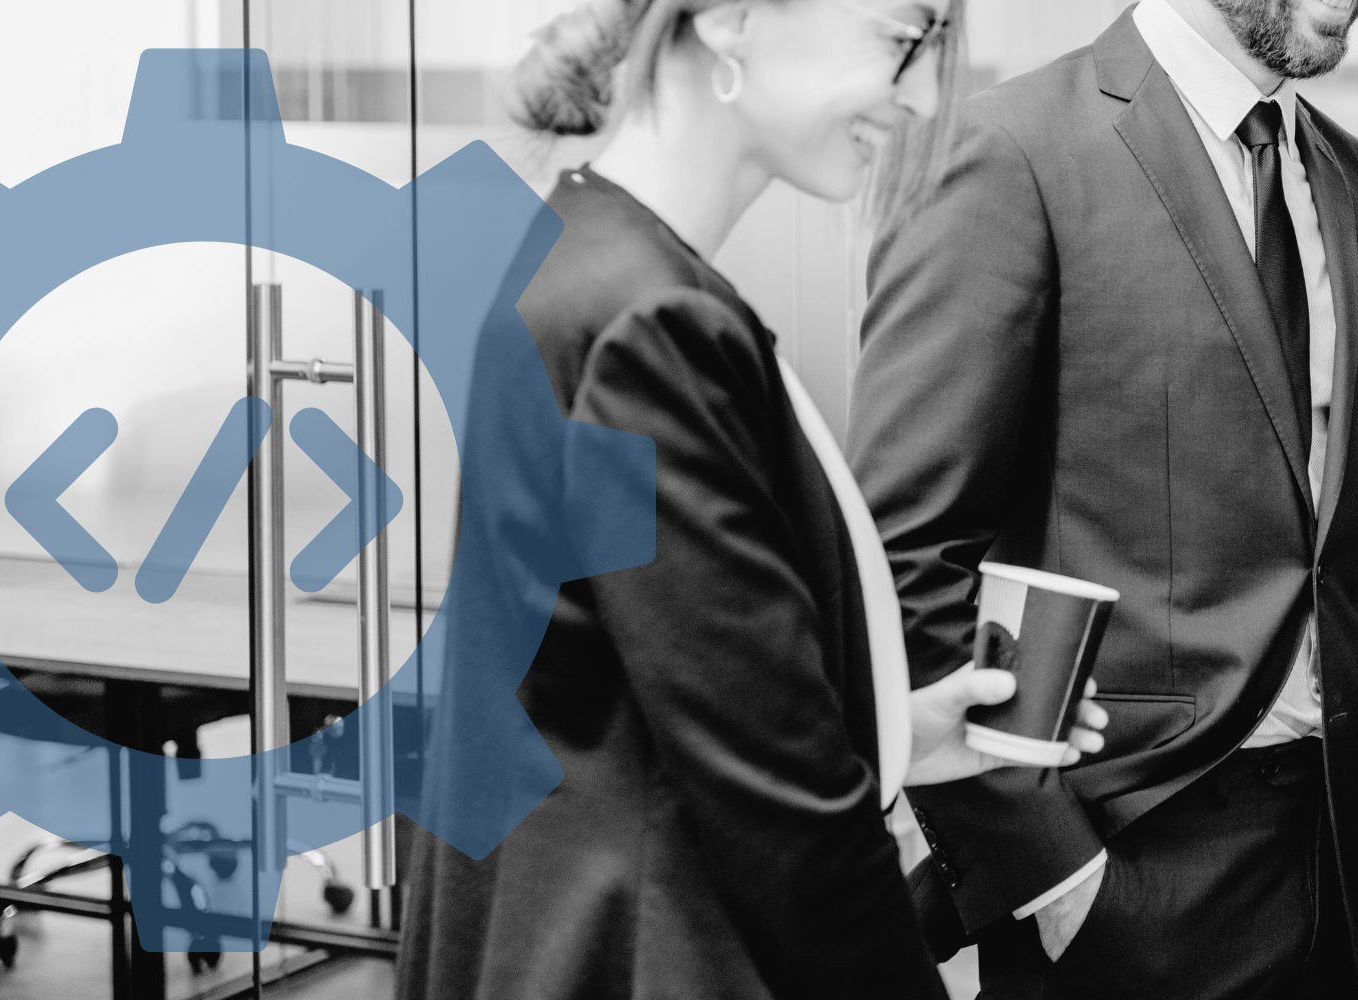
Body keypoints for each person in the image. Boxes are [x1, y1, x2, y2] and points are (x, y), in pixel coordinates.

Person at [394, 2, 1107, 997]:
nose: (921, 97)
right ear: (730, 19)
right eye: (902, 39)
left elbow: (640, 683)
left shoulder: (586, 259)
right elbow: (779, 810)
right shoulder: (652, 324)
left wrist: (887, 734)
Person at [846, 0, 1358, 995]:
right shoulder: (1007, 151)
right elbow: (903, 560)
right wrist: (1055, 872)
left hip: (1345, 862)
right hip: (1127, 859)